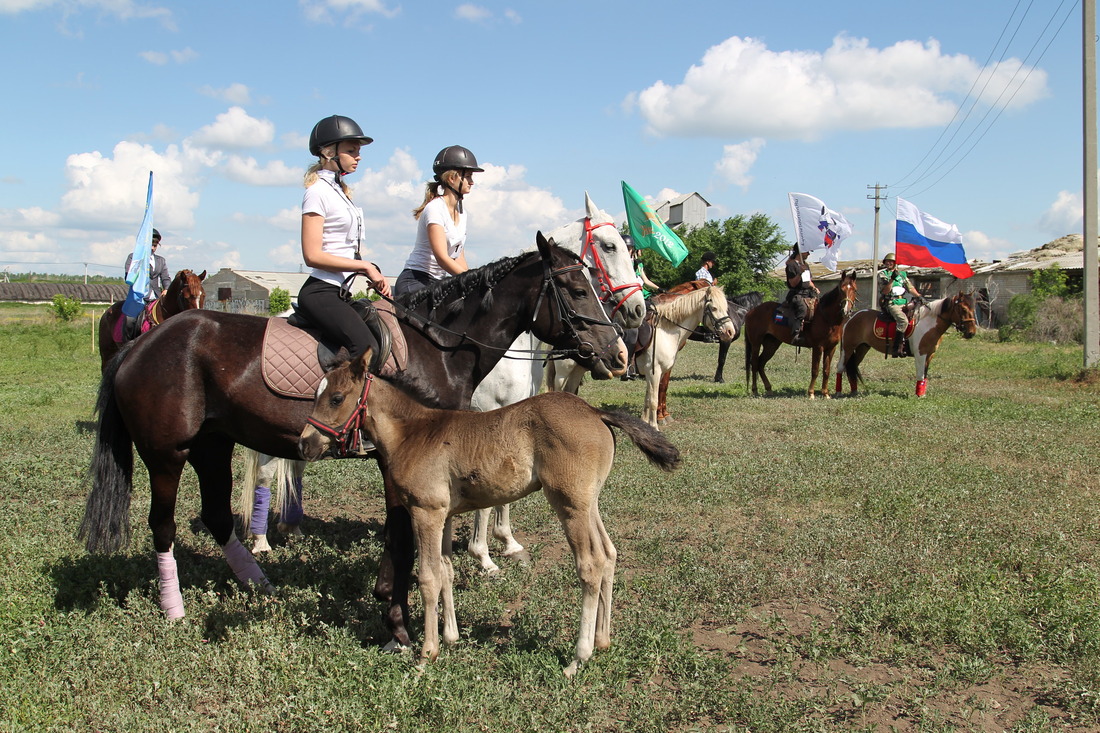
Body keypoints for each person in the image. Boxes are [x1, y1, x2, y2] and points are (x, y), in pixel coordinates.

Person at [296, 114, 391, 366]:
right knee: (366, 348)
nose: (358, 156)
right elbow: (312, 256)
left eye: (358, 151)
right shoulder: (316, 193)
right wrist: (364, 266)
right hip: (320, 291)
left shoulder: (340, 192)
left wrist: (371, 274)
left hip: (340, 290)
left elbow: (344, 251)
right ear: (329, 152)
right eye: (351, 150)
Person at [394, 145, 484, 297]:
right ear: (451, 178)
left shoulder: (463, 214)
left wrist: (472, 282)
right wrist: (472, 280)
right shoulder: (435, 209)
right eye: (467, 176)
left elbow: (458, 255)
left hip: (437, 282)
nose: (472, 182)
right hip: (415, 280)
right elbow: (442, 258)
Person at [878, 252, 921, 357]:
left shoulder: (902, 274)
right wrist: (892, 279)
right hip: (891, 302)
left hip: (904, 302)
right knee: (903, 321)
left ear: (895, 263)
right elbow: (885, 291)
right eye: (887, 261)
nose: (889, 263)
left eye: (891, 261)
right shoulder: (882, 274)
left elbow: (910, 288)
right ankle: (897, 347)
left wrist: (919, 296)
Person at [123, 228, 171, 302]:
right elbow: (128, 275)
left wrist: (167, 289)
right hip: (139, 297)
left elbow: (165, 278)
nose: (152, 248)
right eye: (151, 245)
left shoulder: (161, 261)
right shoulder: (133, 257)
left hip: (156, 296)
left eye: (155, 246)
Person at [784, 246, 819, 342]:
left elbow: (808, 281)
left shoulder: (806, 265)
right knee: (802, 308)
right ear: (800, 252)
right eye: (807, 251)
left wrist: (814, 288)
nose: (808, 254)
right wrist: (800, 273)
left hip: (808, 293)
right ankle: (796, 334)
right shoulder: (791, 265)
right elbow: (792, 283)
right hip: (796, 294)